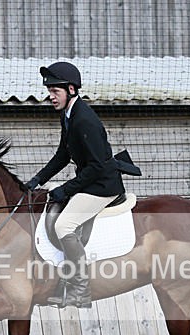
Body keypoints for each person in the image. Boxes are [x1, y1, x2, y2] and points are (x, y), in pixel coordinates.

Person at [25, 61, 126, 308]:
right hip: (91, 181)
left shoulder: (85, 120)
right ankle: (64, 279)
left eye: (54, 91)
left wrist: (65, 189)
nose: (50, 96)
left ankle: (80, 291)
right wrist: (39, 179)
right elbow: (63, 155)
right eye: (49, 91)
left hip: (103, 186)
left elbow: (97, 167)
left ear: (71, 89)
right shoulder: (68, 115)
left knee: (64, 226)